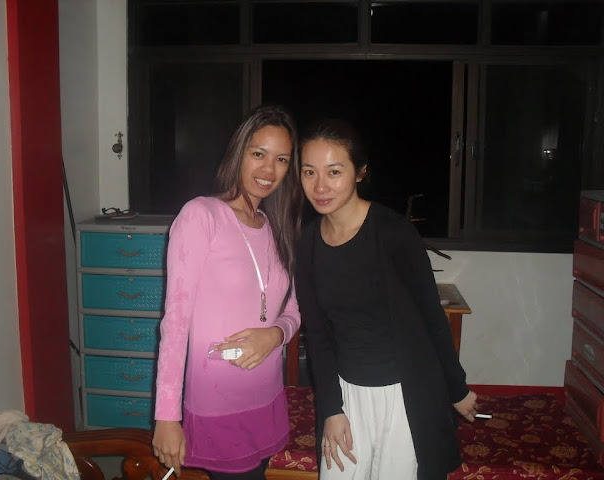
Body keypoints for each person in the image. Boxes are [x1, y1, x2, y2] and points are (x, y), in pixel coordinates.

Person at [294, 119, 478, 480]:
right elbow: (316, 334)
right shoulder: (308, 243)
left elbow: (432, 318)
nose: (320, 186)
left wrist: (457, 389)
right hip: (346, 394)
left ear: (360, 172)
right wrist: (331, 409)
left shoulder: (394, 234)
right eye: (309, 172)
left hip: (404, 394)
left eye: (334, 172)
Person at [152, 105, 303, 480]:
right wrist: (167, 416)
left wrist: (275, 334)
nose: (269, 170)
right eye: (258, 154)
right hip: (218, 401)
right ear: (239, 152)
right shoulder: (201, 215)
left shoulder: (277, 227)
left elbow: (294, 309)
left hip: (267, 398)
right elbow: (176, 321)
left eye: (281, 159)